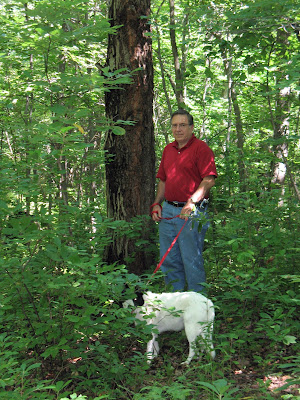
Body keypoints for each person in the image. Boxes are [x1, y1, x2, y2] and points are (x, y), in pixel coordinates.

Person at [150, 109, 217, 292]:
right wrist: (157, 203)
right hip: (168, 211)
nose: (178, 129)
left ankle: (199, 308)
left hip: (191, 212)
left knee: (191, 260)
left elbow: (209, 180)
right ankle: (175, 307)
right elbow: (163, 180)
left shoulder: (201, 149)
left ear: (191, 127)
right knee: (169, 259)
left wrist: (191, 202)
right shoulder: (168, 150)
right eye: (174, 125)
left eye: (182, 125)